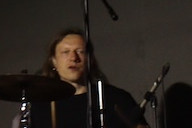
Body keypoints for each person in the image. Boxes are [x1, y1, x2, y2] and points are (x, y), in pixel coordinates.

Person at [13, 28, 148, 128]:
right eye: (65, 52)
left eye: (80, 51)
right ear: (53, 61)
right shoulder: (40, 105)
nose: (73, 58)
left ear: (90, 60)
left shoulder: (115, 98)